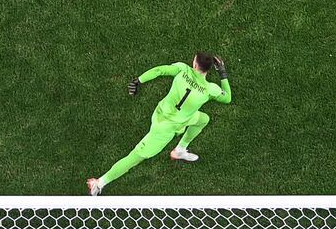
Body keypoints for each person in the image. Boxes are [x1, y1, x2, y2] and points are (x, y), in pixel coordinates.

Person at [87, 54, 232, 196]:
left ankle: (179, 151)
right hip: (167, 126)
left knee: (203, 119)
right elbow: (227, 98)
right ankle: (100, 183)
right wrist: (222, 73)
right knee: (136, 157)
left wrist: (138, 80)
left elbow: (159, 71)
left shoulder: (182, 69)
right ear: (207, 70)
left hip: (163, 118)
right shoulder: (210, 89)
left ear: (194, 64)